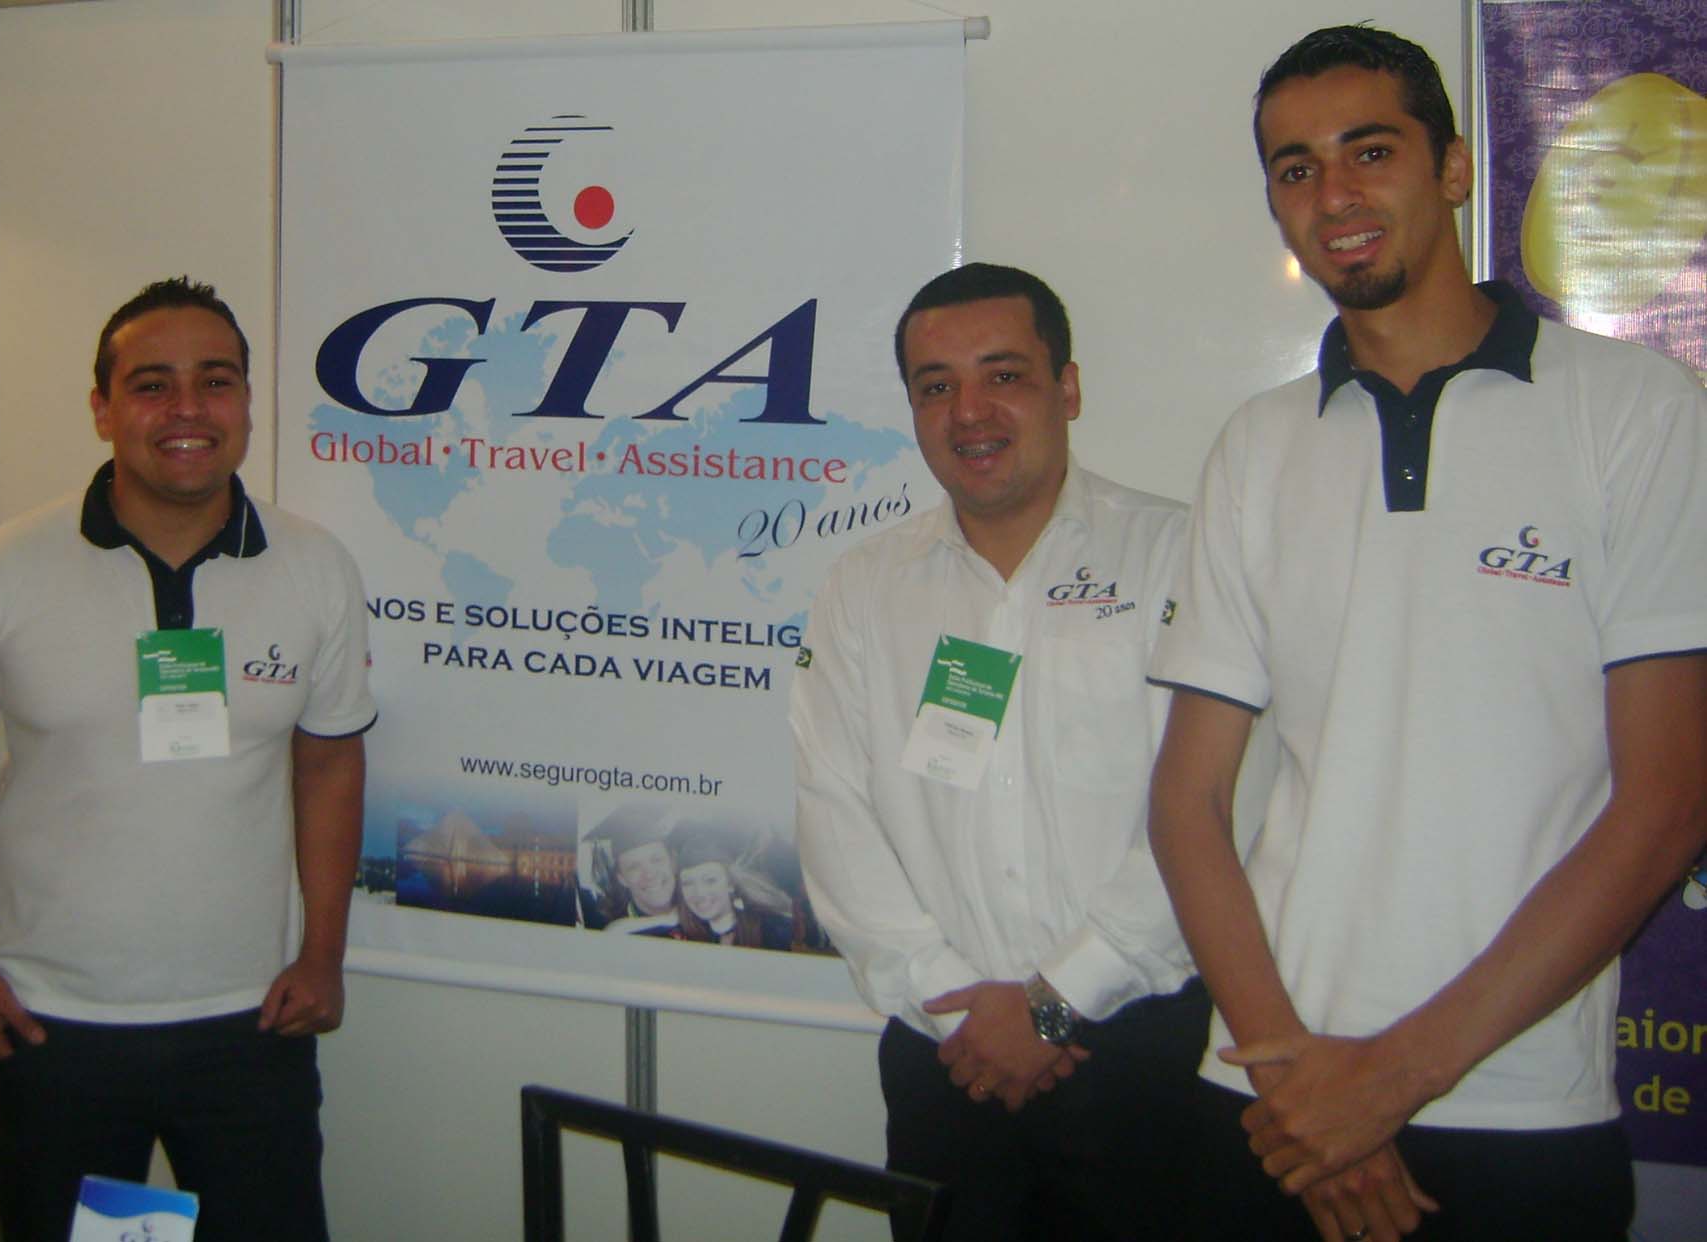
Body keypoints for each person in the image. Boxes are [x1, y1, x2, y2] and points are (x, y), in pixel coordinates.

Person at [1146, 25, 1707, 1242]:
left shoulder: (1637, 411)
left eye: (1371, 151)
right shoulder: (1258, 445)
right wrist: (1299, 1082)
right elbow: (1188, 802)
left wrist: (1390, 1081)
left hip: (1514, 1106)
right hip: (1267, 1098)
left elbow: (1667, 803)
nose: (1335, 196)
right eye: (1296, 168)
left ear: (1454, 169)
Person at [0, 277, 378, 1242]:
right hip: (52, 1027)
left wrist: (324, 953)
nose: (188, 409)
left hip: (253, 1022)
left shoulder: (316, 568)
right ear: (103, 409)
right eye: (152, 385)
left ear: (245, 402)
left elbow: (329, 768)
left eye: (215, 381)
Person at [791, 262, 1223, 1240]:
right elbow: (833, 810)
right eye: (935, 386)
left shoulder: (1179, 557)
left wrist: (1057, 1004)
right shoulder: (865, 585)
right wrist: (962, 1013)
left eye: (1004, 376)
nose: (969, 413)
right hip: (947, 1059)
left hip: (1139, 1052)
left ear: (1066, 388)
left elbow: (1211, 806)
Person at [665, 828, 794, 951]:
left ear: (730, 883)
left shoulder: (774, 930)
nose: (699, 893)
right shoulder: (682, 937)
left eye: (710, 880)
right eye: (688, 883)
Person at [580, 802, 681, 933]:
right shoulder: (608, 930)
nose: (649, 874)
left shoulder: (701, 911)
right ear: (622, 879)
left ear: (673, 863)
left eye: (657, 860)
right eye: (634, 867)